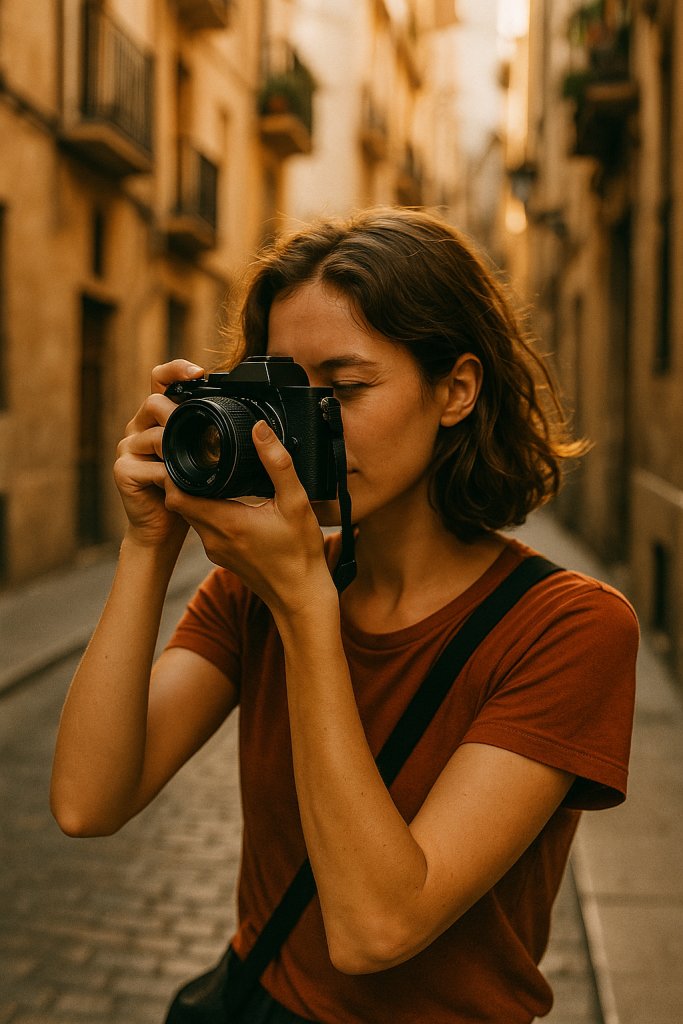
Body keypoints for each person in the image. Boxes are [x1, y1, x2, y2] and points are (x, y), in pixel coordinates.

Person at [51, 209, 638, 1024]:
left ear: (455, 390)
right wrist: (148, 545)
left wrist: (304, 605)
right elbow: (88, 802)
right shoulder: (254, 592)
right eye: (287, 393)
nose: (304, 426)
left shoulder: (567, 629)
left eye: (347, 387)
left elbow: (375, 929)